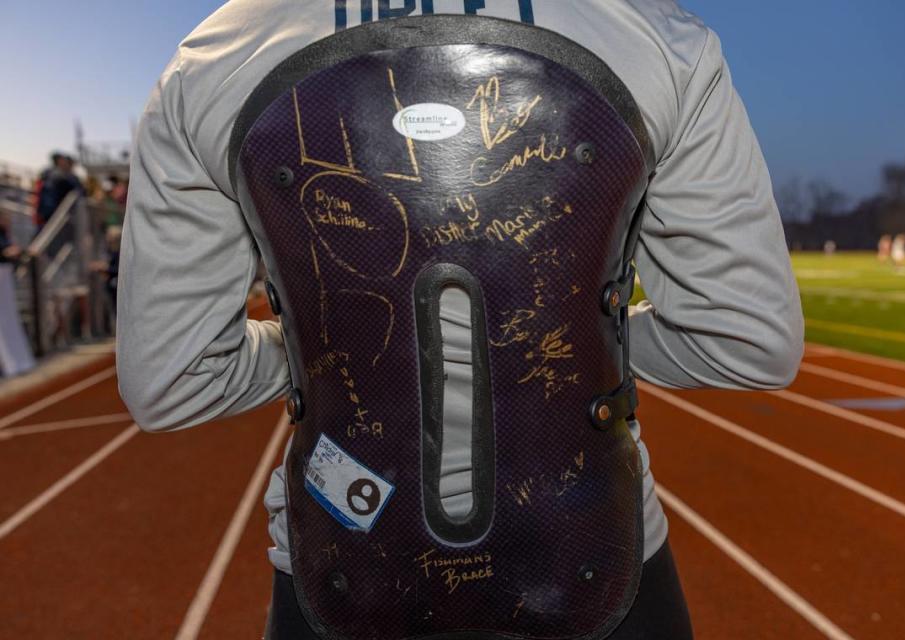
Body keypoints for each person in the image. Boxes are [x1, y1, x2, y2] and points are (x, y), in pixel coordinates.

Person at [118, 2, 804, 639]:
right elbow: (746, 340)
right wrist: (556, 344)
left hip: (341, 568)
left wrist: (335, 349)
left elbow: (171, 381)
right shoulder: (655, 33)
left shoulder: (211, 57)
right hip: (594, 562)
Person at [34, 152, 83, 229]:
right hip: (53, 213)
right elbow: (79, 191)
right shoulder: (62, 176)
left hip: (49, 212)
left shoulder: (48, 173)